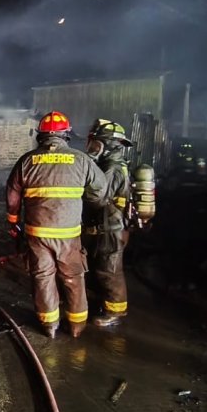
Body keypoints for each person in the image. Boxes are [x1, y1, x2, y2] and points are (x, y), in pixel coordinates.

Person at [6, 111, 108, 339]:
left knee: (43, 277)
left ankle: (49, 326)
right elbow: (100, 191)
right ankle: (75, 327)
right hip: (69, 234)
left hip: (37, 233)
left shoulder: (27, 161)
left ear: (40, 136)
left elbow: (13, 195)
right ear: (66, 135)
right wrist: (86, 199)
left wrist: (13, 221)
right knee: (73, 277)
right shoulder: (81, 160)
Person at [83, 119, 133, 327]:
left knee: (109, 269)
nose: (92, 147)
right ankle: (102, 302)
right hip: (105, 225)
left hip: (111, 226)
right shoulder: (107, 164)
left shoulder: (112, 167)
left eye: (96, 143)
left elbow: (100, 198)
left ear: (107, 144)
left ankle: (115, 312)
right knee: (99, 265)